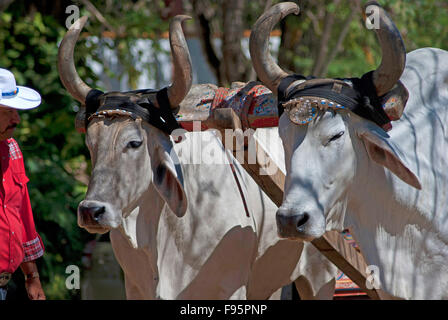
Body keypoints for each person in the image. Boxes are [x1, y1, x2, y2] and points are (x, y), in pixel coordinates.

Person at [0, 68, 45, 300]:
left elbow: (22, 214)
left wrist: (32, 276)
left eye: (16, 111)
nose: (16, 119)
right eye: (8, 111)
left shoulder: (12, 148)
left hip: (7, 284)